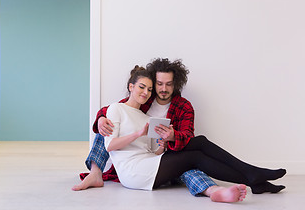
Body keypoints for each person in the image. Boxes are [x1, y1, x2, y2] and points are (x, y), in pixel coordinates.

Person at [73, 59, 285, 199]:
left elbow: (182, 138)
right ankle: (251, 176)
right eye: (157, 84)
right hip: (143, 168)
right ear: (146, 85)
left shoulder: (182, 106)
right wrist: (100, 119)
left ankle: (234, 185)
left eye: (169, 84)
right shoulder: (141, 103)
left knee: (196, 152)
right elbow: (113, 112)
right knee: (196, 153)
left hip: (164, 158)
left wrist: (169, 139)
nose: (161, 89)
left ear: (176, 85)